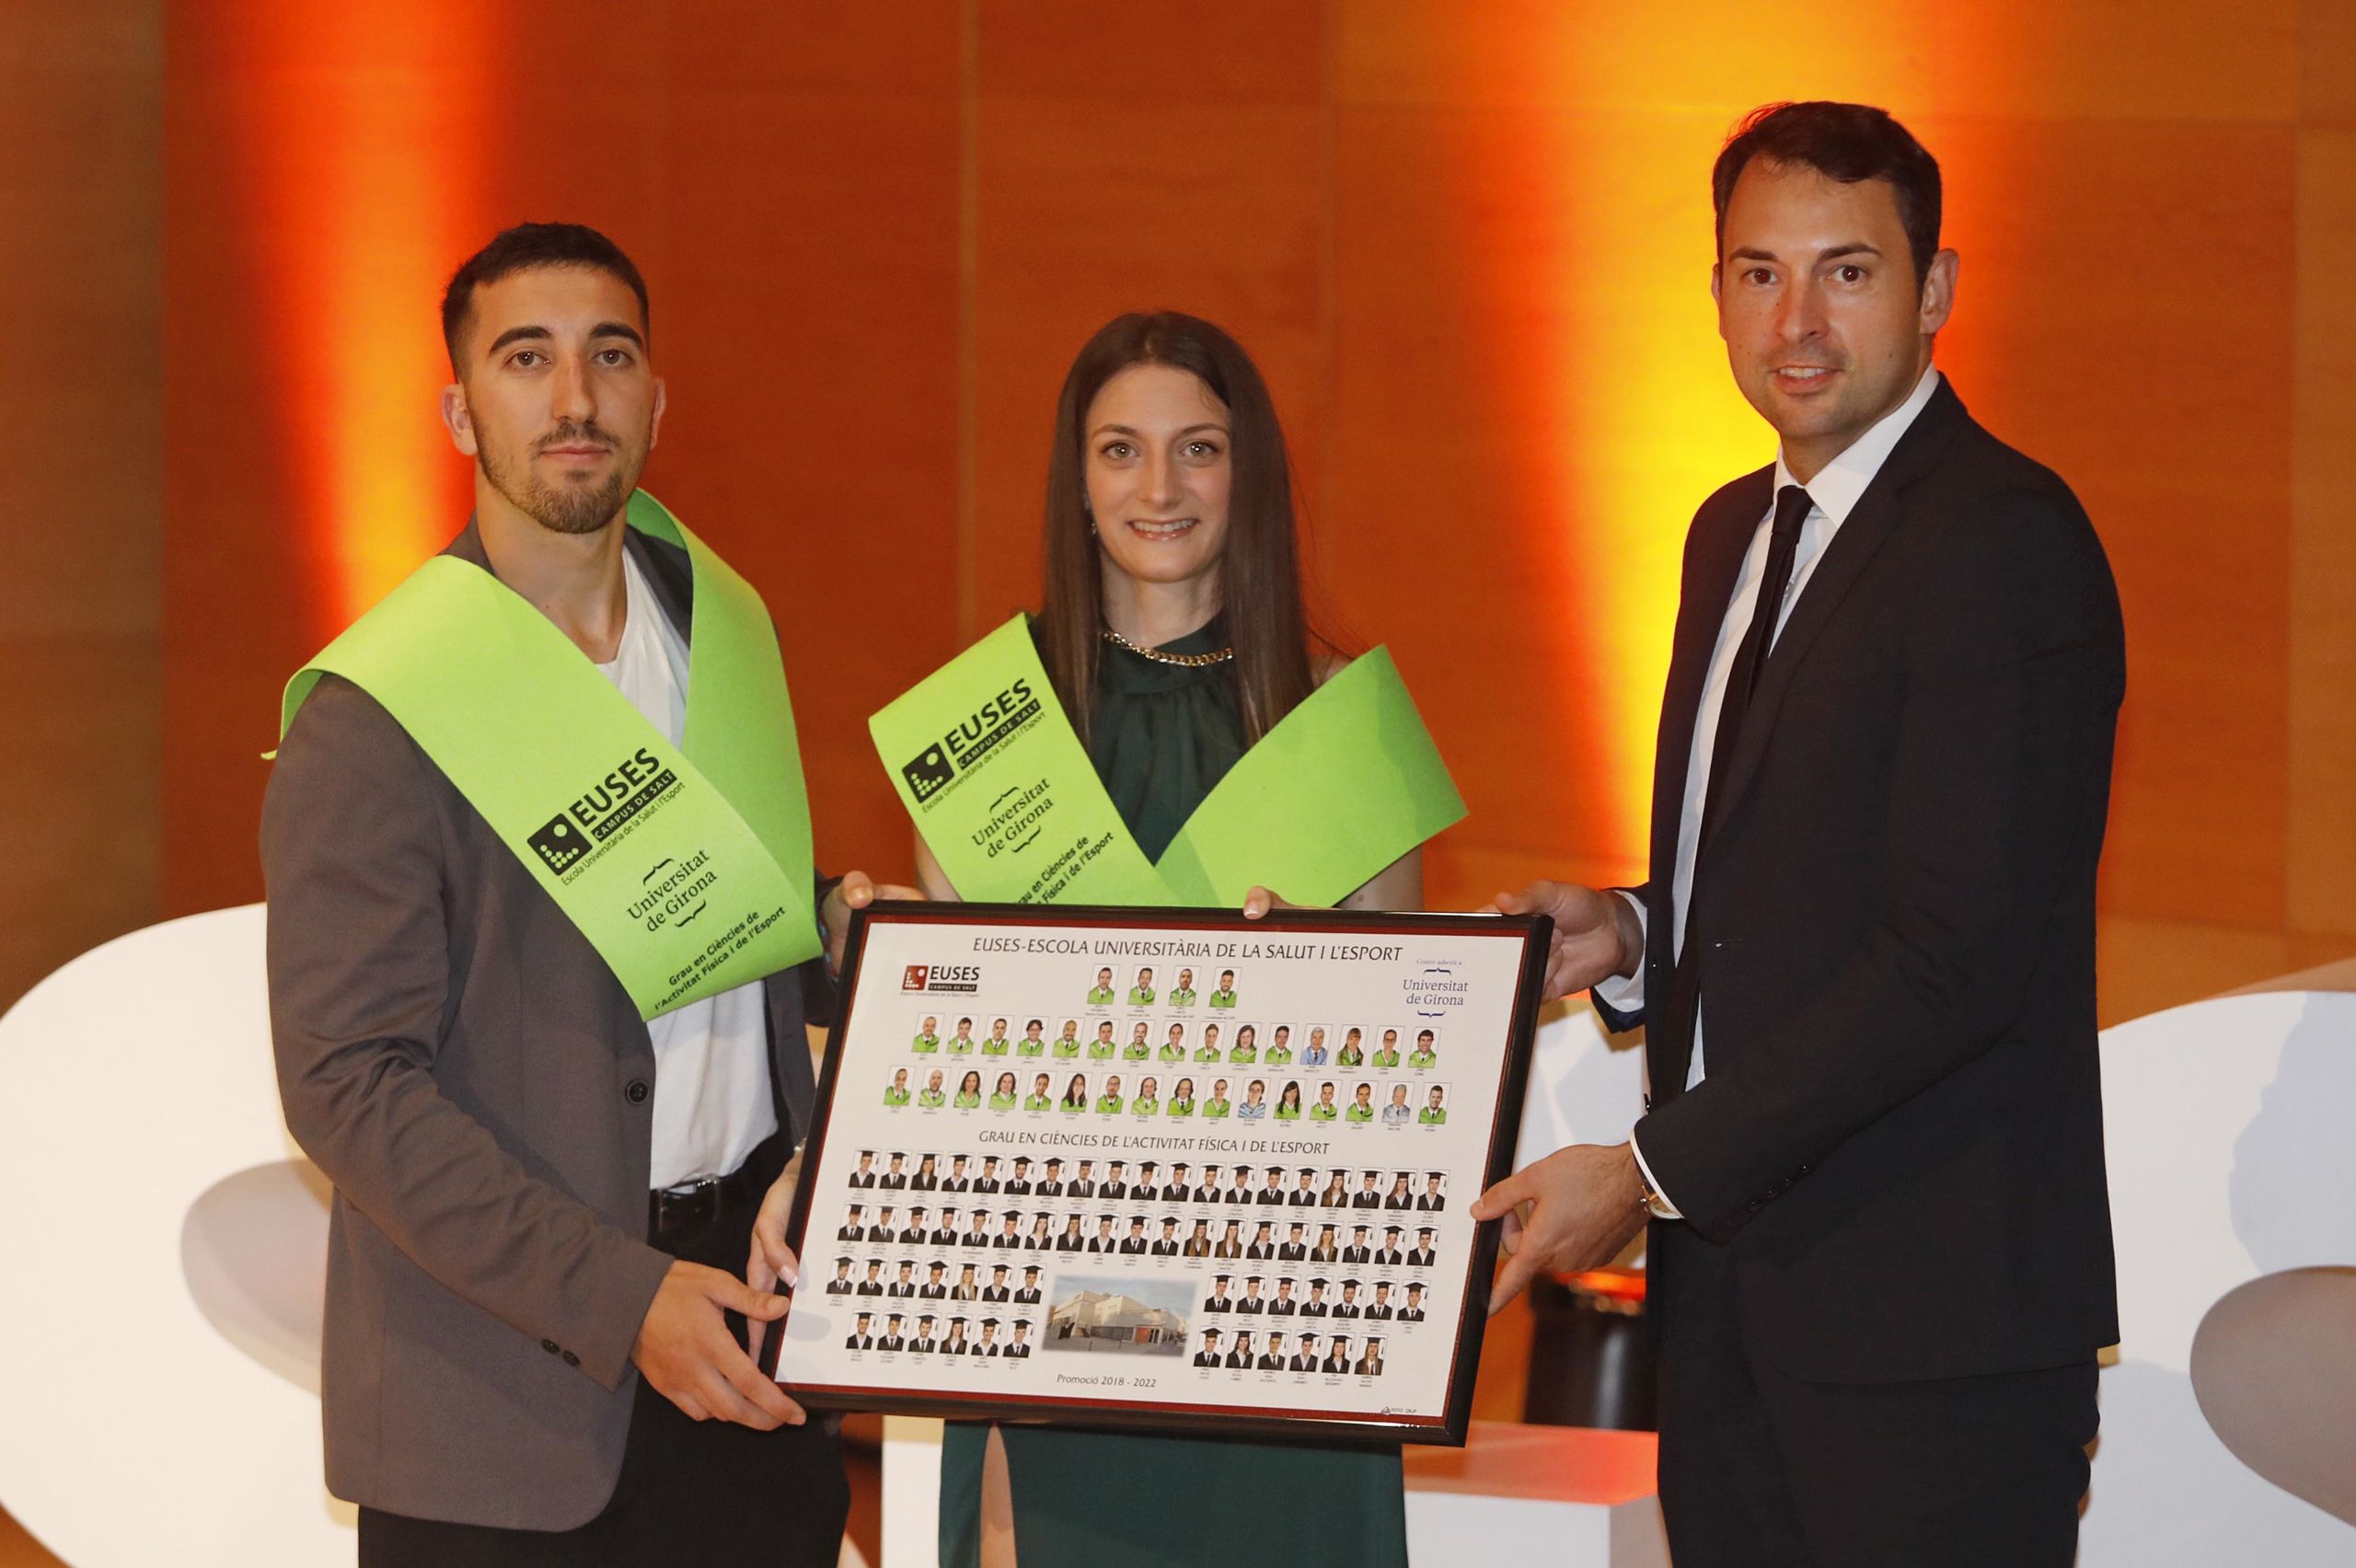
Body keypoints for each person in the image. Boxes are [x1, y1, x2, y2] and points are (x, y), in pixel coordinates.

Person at [1469, 102, 2123, 1568]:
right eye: (1759, 273)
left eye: (1848, 271)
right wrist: (1634, 928)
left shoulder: (2005, 539)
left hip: (1930, 1342)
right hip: (1733, 1316)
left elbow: (1951, 959)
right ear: (1714, 294)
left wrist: (1643, 1171)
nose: (1798, 322)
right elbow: (1796, 870)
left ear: (1935, 289)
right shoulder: (1728, 531)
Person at [262, 224, 932, 1564]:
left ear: (656, 400)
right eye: (527, 359)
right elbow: (347, 1084)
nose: (574, 398)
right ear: (461, 411)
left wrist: (826, 933)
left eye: (609, 356)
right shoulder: (381, 703)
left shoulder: (723, 624)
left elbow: (685, 914)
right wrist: (623, 1299)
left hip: (754, 1324)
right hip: (506, 1400)